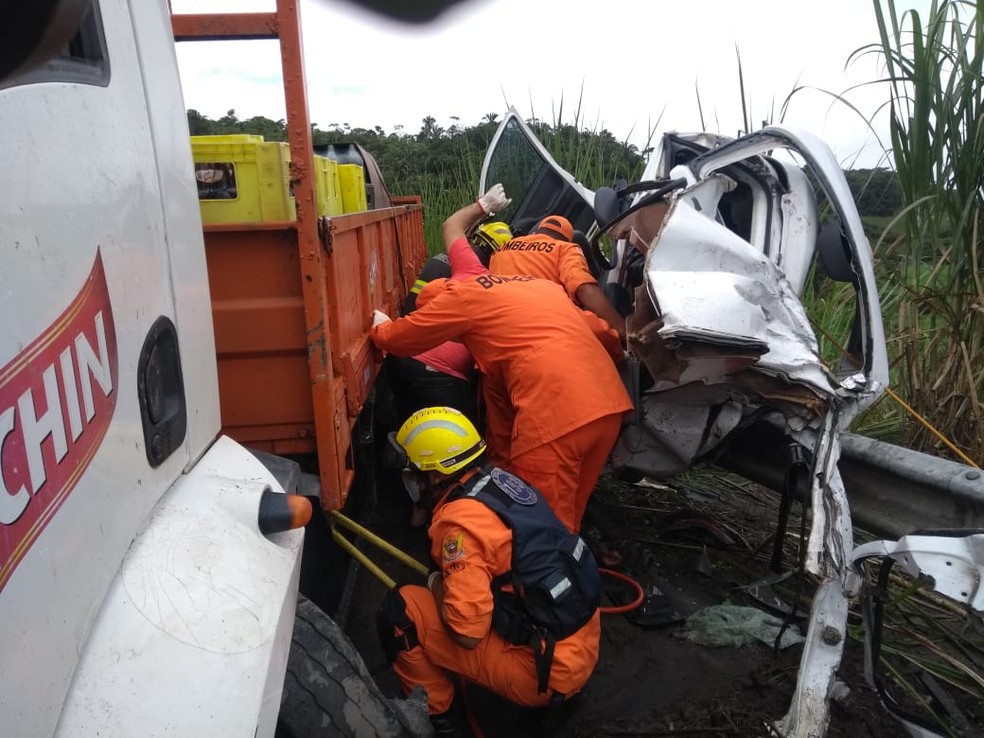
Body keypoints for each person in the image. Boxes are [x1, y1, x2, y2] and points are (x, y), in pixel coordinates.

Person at [369, 236, 632, 534]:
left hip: (557, 417)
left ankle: (519, 578)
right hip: (608, 408)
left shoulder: (461, 296)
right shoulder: (539, 288)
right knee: (569, 513)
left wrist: (381, 329)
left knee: (534, 519)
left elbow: (405, 338)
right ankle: (566, 569)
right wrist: (621, 351)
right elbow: (599, 330)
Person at [376, 406, 601, 737]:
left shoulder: (459, 526)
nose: (409, 482)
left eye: (413, 474)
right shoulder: (500, 483)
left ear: (435, 475)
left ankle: (441, 720)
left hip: (545, 672)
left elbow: (467, 634)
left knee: (401, 609)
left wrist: (439, 582)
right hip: (578, 643)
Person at [382, 190, 513, 427]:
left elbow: (414, 313)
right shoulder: (479, 278)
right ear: (498, 252)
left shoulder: (450, 259)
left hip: (407, 353)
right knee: (459, 438)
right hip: (436, 370)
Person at [489, 214, 627, 343]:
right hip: (546, 329)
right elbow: (584, 288)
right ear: (567, 239)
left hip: (497, 332)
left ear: (535, 233)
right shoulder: (565, 248)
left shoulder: (500, 251)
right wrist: (623, 332)